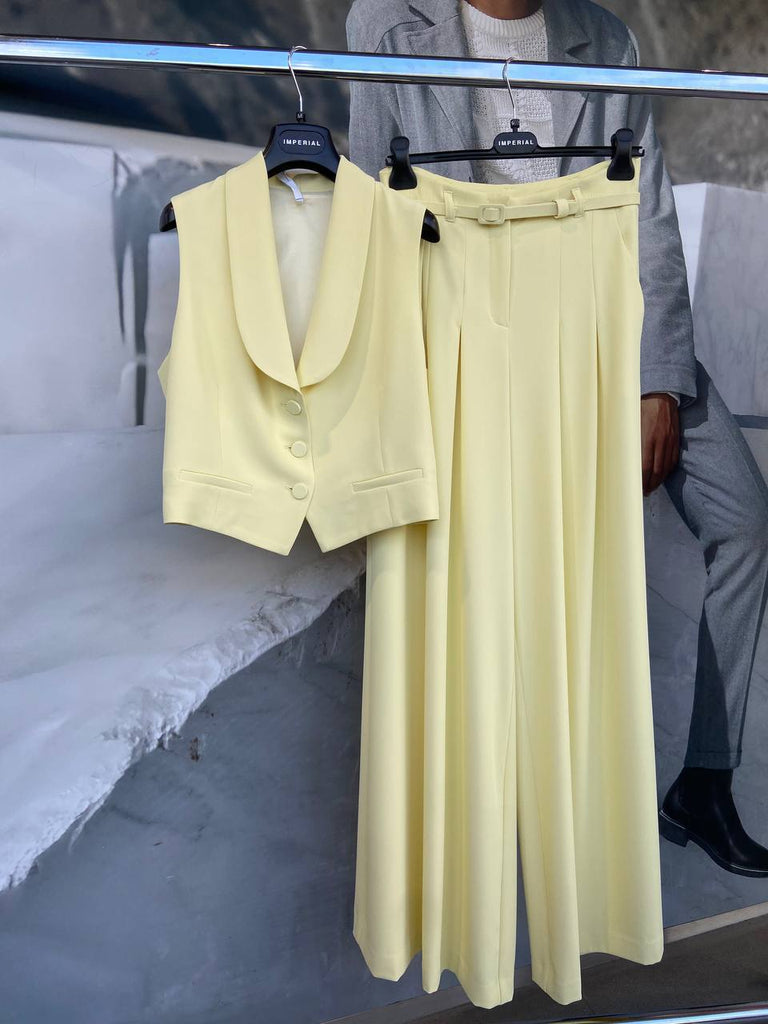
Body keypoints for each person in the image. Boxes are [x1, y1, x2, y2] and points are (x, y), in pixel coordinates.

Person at [346, 0, 768, 876]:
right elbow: (368, 209)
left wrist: (658, 381)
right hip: (477, 336)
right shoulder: (390, 27)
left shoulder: (604, 38)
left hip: (605, 328)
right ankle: (499, 816)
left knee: (744, 519)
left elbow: (648, 216)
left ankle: (703, 782)